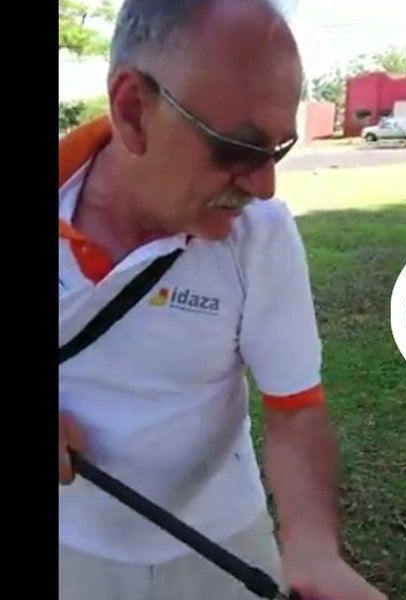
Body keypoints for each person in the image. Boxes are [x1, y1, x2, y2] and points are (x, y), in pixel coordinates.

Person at [57, 1, 386, 599]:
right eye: (237, 147)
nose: (264, 185)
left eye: (278, 150)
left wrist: (311, 549)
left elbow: (295, 405)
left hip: (223, 539)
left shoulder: (261, 233)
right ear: (133, 108)